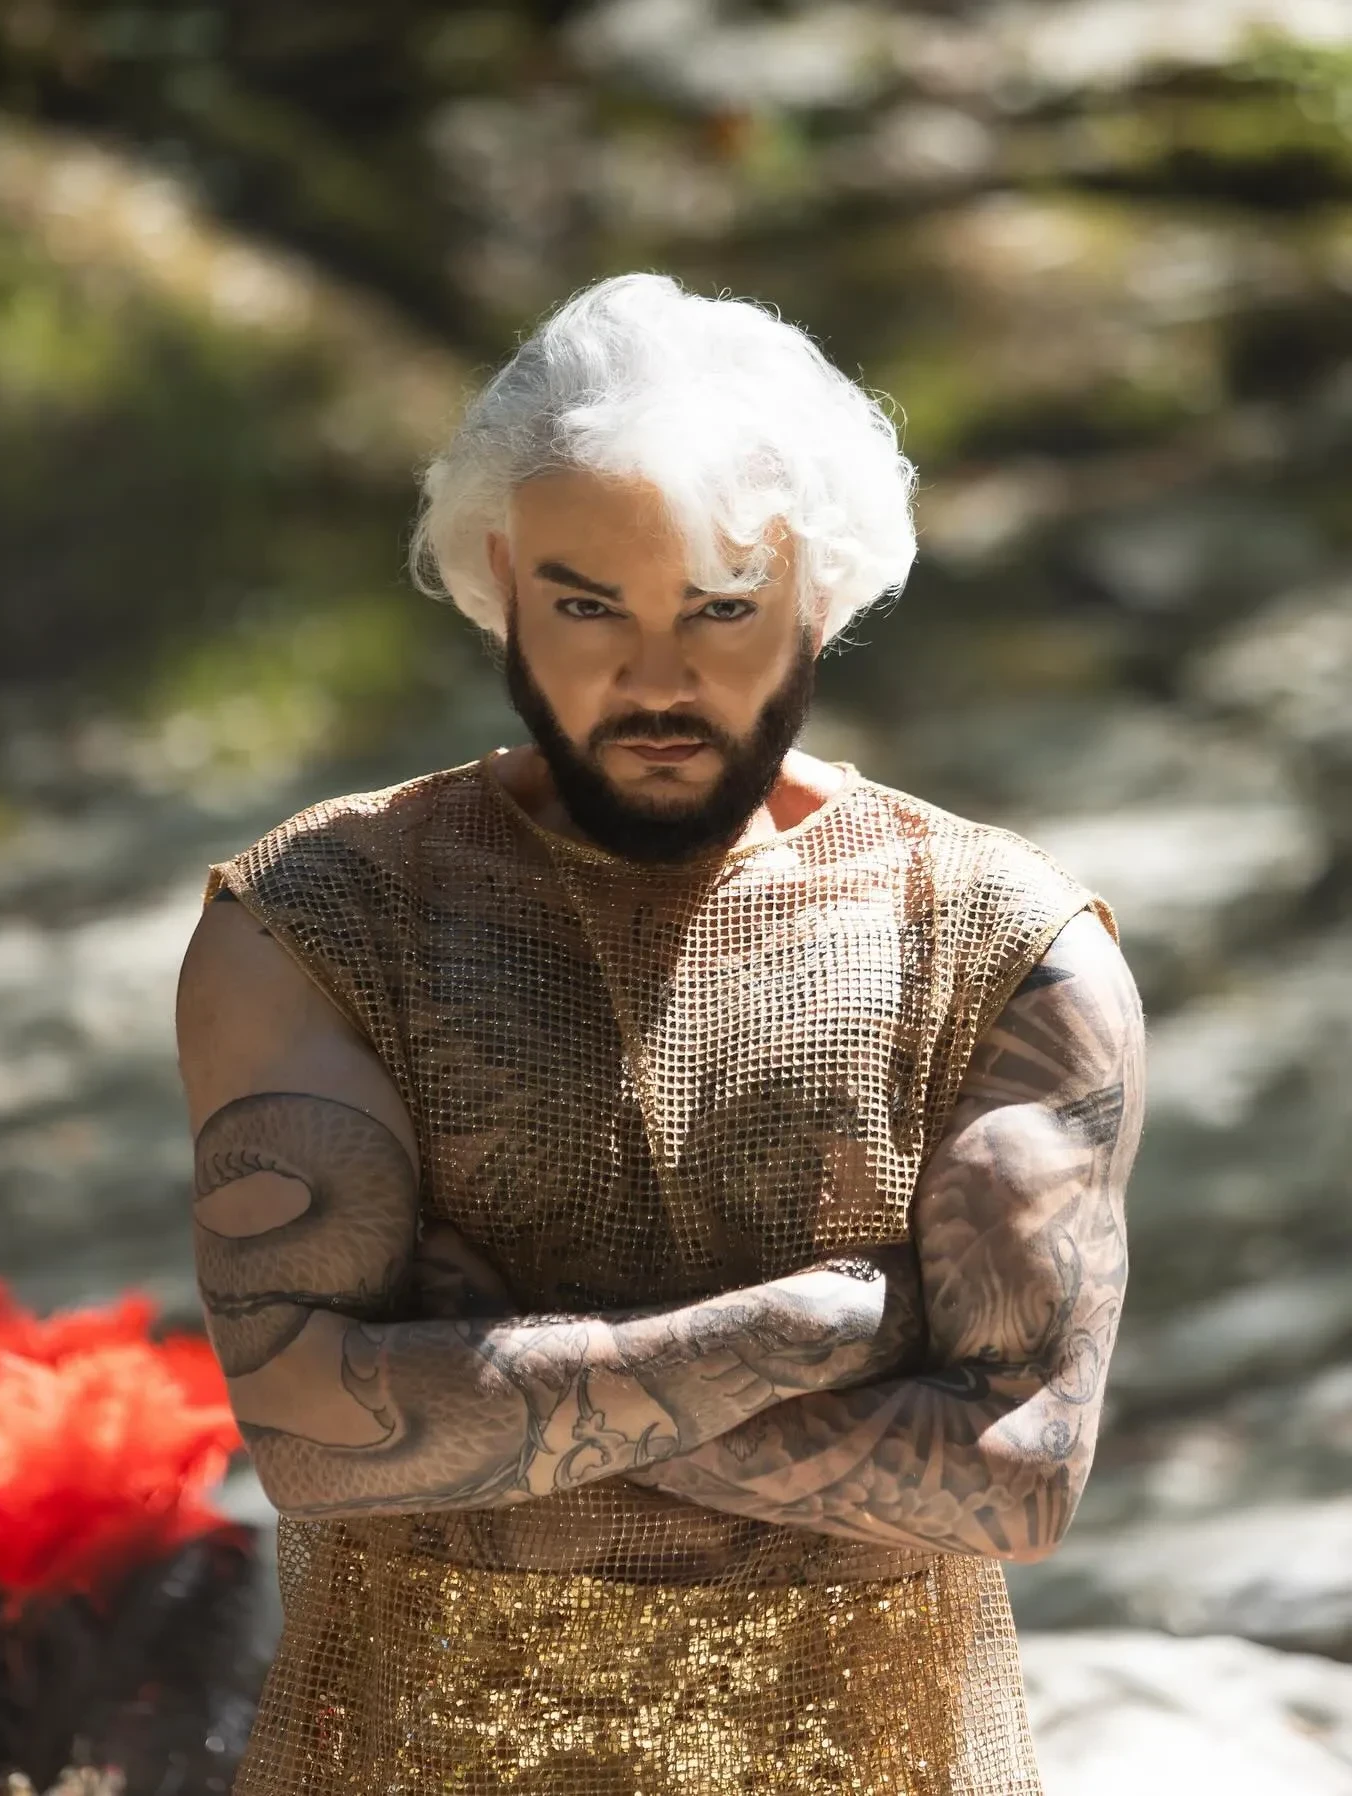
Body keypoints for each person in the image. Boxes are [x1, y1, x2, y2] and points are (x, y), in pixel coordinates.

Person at [175, 272, 1145, 1795]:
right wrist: (798, 1337)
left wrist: (500, 1370)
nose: (654, 679)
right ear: (500, 575)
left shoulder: (1003, 945)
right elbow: (308, 1442)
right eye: (587, 606)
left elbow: (1016, 1483)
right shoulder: (319, 916)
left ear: (821, 591)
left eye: (721, 608)